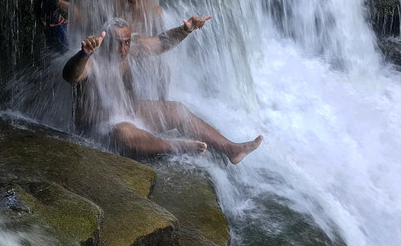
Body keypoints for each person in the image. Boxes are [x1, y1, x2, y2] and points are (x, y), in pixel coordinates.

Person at [62, 15, 263, 165]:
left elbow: (160, 43)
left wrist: (185, 30)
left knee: (176, 109)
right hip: (97, 127)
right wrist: (83, 55)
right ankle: (174, 146)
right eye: (117, 44)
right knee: (122, 132)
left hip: (129, 111)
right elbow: (71, 75)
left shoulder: (132, 48)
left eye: (127, 42)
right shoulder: (92, 60)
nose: (123, 50)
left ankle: (231, 149)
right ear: (104, 41)